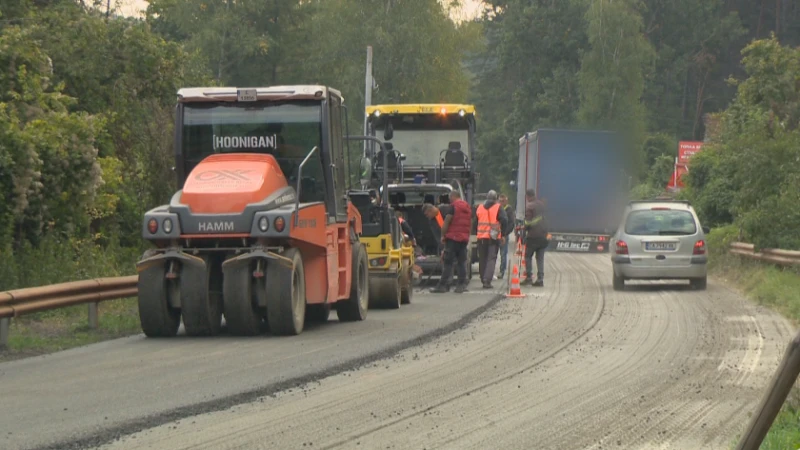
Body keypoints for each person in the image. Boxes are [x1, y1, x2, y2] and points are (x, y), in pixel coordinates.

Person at [430, 191, 472, 294]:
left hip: (453, 238)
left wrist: (443, 236)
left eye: (450, 197)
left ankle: (443, 286)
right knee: (461, 262)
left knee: (448, 263)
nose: (449, 200)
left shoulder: (453, 207)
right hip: (464, 238)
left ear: (453, 197)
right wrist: (467, 236)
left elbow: (447, 222)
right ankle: (461, 285)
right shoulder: (467, 207)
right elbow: (470, 222)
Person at [474, 190, 507, 289]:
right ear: (496, 198)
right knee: (491, 259)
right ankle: (487, 280)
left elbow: (475, 223)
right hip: (493, 237)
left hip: (481, 238)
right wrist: (503, 234)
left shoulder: (479, 208)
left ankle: (483, 277)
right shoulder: (498, 207)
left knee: (482, 259)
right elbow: (504, 220)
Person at [521, 189, 548, 287]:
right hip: (543, 236)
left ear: (528, 196)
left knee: (528, 256)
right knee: (540, 258)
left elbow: (528, 223)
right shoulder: (542, 205)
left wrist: (524, 227)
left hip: (533, 236)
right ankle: (540, 279)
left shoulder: (529, 206)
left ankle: (528, 277)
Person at [497, 194, 515, 279]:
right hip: (495, 234)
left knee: (503, 254)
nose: (501, 202)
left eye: (503, 201)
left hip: (504, 235)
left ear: (506, 201)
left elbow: (511, 223)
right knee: (493, 254)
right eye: (499, 201)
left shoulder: (509, 210)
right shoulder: (496, 208)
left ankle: (502, 271)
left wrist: (505, 233)